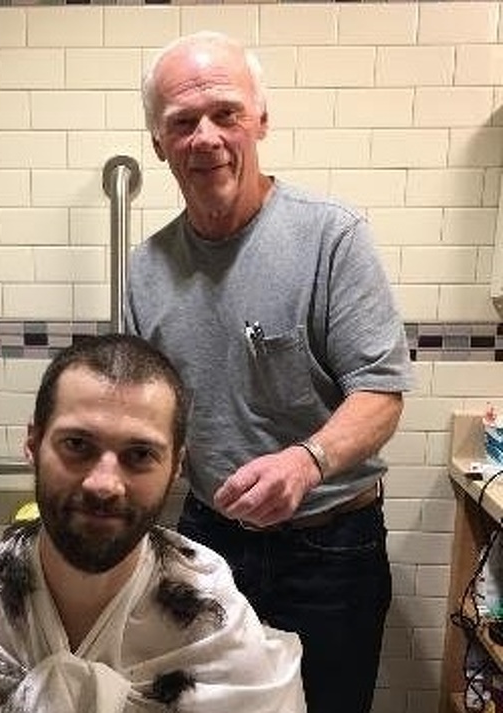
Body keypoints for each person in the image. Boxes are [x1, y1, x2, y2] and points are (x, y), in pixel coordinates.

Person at [126, 32, 414, 713]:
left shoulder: (331, 236)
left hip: (331, 549)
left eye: (225, 113)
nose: (205, 137)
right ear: (159, 143)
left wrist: (307, 461)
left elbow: (381, 392)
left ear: (260, 120)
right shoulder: (145, 268)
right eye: (181, 122)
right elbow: (143, 414)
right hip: (207, 541)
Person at [0, 334, 306, 713]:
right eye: (77, 445)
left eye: (139, 455)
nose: (104, 485)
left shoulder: (214, 626)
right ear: (33, 443)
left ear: (176, 467)